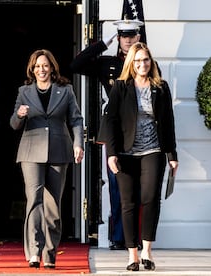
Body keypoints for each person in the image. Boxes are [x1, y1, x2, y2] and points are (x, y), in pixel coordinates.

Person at [103, 42, 178, 271]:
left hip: (153, 150)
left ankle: (147, 250)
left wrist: (172, 154)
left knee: (150, 197)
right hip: (125, 152)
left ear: (151, 61)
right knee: (128, 203)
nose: (142, 64)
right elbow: (111, 121)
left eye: (145, 60)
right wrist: (111, 153)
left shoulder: (161, 87)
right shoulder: (120, 86)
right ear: (131, 64)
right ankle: (132, 254)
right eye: (137, 61)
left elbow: (168, 122)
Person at [70, 19, 144, 250]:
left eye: (132, 36)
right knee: (116, 185)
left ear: (138, 38)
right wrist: (102, 43)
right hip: (115, 132)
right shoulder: (107, 63)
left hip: (141, 131)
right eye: (123, 36)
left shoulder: (144, 63)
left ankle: (134, 235)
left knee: (139, 186)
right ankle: (119, 237)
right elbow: (76, 65)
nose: (128, 40)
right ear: (119, 38)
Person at [10, 49, 84, 269]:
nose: (41, 70)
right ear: (32, 70)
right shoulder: (24, 91)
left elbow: (76, 119)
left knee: (53, 205)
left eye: (45, 65)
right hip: (31, 151)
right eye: (37, 66)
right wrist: (20, 115)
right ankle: (34, 252)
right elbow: (13, 124)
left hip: (59, 150)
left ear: (52, 67)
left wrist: (78, 143)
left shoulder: (66, 90)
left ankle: (50, 253)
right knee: (34, 200)